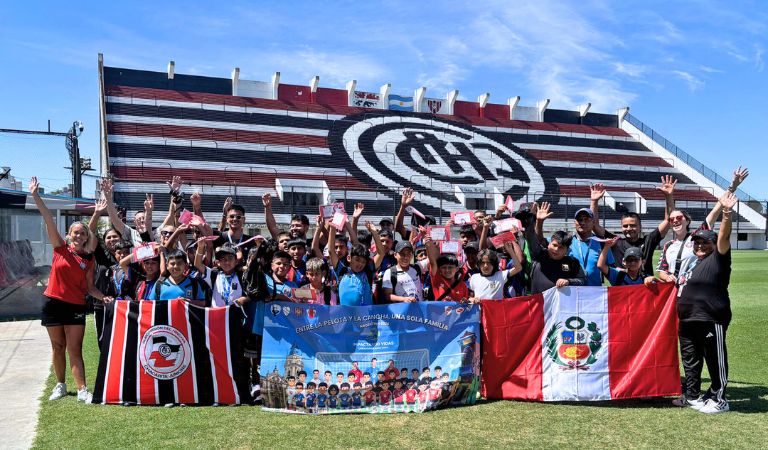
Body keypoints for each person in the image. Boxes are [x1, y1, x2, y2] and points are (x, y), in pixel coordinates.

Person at [30, 177, 114, 403]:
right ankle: (60, 385)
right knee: (58, 347)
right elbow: (48, 219)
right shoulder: (60, 248)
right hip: (52, 303)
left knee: (74, 349)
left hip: (75, 305)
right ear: (69, 235)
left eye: (83, 233)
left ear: (87, 238)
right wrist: (36, 196)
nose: (79, 235)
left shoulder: (88, 258)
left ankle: (83, 389)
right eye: (75, 232)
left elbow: (89, 287)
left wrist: (103, 297)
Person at [672, 191, 738, 414]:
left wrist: (726, 212)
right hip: (687, 319)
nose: (699, 245)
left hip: (709, 317)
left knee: (714, 359)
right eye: (696, 242)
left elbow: (724, 237)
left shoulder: (718, 258)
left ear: (713, 244)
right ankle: (692, 396)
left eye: (704, 242)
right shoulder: (693, 264)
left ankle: (720, 399)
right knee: (690, 359)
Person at [658, 167, 748, 283]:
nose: (675, 220)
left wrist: (732, 187)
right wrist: (667, 277)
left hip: (693, 287)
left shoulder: (697, 238)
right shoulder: (668, 245)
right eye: (672, 219)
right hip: (672, 291)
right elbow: (662, 270)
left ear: (688, 221)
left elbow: (717, 208)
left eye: (679, 218)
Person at [591, 177, 677, 275]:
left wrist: (669, 197)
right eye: (625, 226)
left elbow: (668, 220)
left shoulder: (648, 241)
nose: (629, 229)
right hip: (623, 289)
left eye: (633, 226)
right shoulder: (616, 243)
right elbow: (594, 226)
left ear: (640, 227)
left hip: (644, 288)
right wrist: (594, 201)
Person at [522, 202, 587, 294]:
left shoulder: (572, 263)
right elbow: (531, 238)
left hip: (561, 306)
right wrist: (532, 218)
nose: (556, 249)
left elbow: (583, 281)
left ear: (567, 250)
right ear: (549, 244)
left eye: (561, 248)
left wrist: (569, 281)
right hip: (538, 305)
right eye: (554, 245)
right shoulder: (539, 255)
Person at [328, 221, 385, 306]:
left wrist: (374, 233)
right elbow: (331, 250)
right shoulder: (342, 271)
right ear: (349, 258)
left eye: (363, 261)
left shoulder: (368, 271)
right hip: (345, 317)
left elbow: (381, 254)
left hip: (365, 316)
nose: (360, 264)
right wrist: (332, 229)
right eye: (357, 260)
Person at [567, 202, 614, 286]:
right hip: (572, 293)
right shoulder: (567, 243)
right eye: (580, 220)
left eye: (586, 220)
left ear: (593, 222)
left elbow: (612, 271)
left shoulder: (603, 244)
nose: (583, 223)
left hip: (595, 294)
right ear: (575, 222)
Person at [194, 243, 247, 307]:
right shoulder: (214, 274)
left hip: (235, 315)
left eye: (230, 258)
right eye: (223, 259)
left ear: (236, 262)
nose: (227, 262)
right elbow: (198, 264)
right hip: (217, 315)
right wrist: (200, 248)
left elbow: (252, 295)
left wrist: (244, 299)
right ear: (218, 263)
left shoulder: (241, 275)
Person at [423, 235, 470, 302]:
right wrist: (428, 245)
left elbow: (466, 304)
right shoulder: (437, 280)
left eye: (450, 267)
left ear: (457, 269)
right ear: (439, 269)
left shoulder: (463, 286)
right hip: (439, 312)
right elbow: (433, 262)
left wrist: (466, 301)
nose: (447, 270)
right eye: (444, 267)